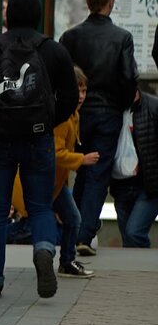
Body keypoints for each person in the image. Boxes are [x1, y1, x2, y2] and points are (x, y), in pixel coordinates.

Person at [0, 0, 79, 299]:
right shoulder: (53, 51)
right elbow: (69, 97)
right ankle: (43, 250)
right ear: (39, 16)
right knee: (41, 206)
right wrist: (49, 124)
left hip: (0, 140)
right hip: (39, 140)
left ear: (7, 15)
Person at [58, 0, 139, 256]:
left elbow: (60, 75)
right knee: (98, 173)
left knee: (81, 168)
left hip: (76, 113)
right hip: (108, 112)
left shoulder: (69, 37)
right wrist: (127, 100)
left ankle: (74, 227)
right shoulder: (122, 38)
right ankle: (83, 234)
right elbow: (129, 77)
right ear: (111, 2)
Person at [10, 66, 99, 278]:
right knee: (29, 223)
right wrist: (81, 160)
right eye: (77, 90)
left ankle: (67, 262)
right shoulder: (61, 119)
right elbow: (56, 153)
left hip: (55, 183)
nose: (81, 96)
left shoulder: (72, 116)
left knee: (71, 218)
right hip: (39, 180)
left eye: (84, 91)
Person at [110, 91, 158, 248]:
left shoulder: (152, 106)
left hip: (148, 186)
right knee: (128, 241)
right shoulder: (112, 110)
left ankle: (145, 268)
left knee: (134, 233)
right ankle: (138, 271)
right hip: (121, 186)